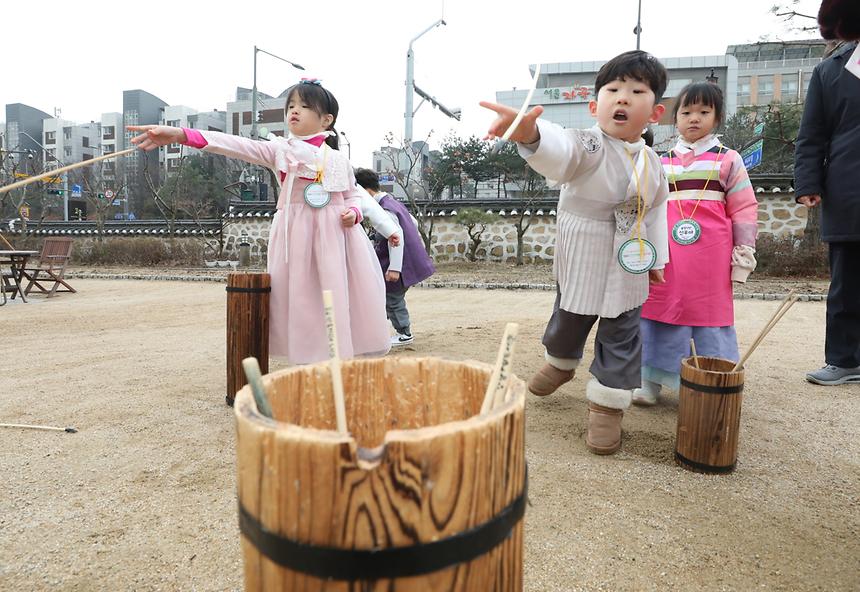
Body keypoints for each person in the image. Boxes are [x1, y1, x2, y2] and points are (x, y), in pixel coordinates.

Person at [481, 50, 669, 455]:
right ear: (593, 105)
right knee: (570, 317)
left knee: (623, 331)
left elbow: (656, 212)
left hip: (629, 254)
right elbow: (559, 152)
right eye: (613, 90)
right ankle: (562, 363)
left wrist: (656, 260)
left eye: (637, 91)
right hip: (584, 246)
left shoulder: (655, 162)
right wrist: (530, 134)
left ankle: (606, 408)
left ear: (655, 112)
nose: (622, 98)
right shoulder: (587, 144)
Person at [129, 79, 395, 364]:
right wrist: (181, 134)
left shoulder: (339, 160)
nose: (294, 111)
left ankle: (337, 359)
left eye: (304, 106)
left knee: (336, 293)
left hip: (335, 236)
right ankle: (307, 361)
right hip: (297, 234)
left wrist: (353, 214)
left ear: (326, 120)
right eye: (291, 105)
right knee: (301, 297)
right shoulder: (280, 150)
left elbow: (352, 196)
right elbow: (235, 145)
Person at [632, 82, 758, 405]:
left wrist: (742, 258)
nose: (694, 118)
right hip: (667, 253)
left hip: (711, 260)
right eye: (686, 112)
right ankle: (649, 378)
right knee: (659, 307)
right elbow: (644, 207)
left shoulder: (729, 160)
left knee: (708, 314)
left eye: (704, 112)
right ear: (675, 119)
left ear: (716, 118)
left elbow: (744, 209)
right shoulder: (661, 161)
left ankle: (708, 379)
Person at [794, 0, 860, 386]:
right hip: (850, 188)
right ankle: (844, 359)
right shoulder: (829, 71)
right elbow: (811, 134)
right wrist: (807, 183)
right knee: (847, 284)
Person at [354, 168, 435, 346]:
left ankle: (404, 333)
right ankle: (380, 331)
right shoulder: (392, 202)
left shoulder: (384, 209)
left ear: (365, 192)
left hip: (397, 264)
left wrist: (395, 268)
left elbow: (395, 234)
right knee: (387, 298)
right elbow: (411, 222)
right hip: (404, 260)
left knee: (392, 299)